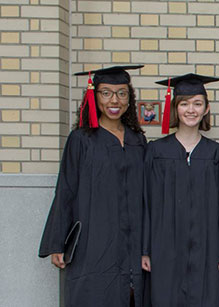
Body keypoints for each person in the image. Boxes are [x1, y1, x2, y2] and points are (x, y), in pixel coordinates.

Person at [38, 65, 147, 306]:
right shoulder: (81, 139)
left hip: (133, 237)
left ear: (130, 98)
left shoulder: (137, 140)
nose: (114, 100)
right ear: (93, 97)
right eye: (106, 93)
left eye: (121, 93)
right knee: (94, 293)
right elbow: (66, 189)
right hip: (94, 237)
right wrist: (57, 242)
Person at [141, 74, 219, 306]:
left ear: (206, 109)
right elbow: (146, 201)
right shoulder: (156, 151)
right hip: (164, 247)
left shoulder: (217, 153)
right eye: (184, 103)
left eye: (197, 103)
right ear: (175, 108)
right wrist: (145, 249)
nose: (190, 110)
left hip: (206, 248)